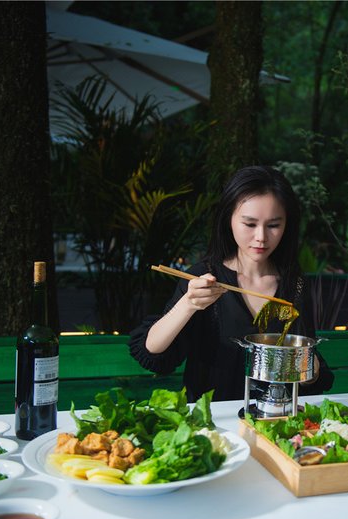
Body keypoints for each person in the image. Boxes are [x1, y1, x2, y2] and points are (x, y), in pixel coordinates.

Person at [129, 166, 334, 402]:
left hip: (275, 417)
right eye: (250, 224)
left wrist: (308, 370)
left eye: (273, 225)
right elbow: (151, 353)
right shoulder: (202, 277)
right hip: (213, 419)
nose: (261, 237)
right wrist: (188, 304)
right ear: (229, 220)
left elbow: (307, 370)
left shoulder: (295, 284)